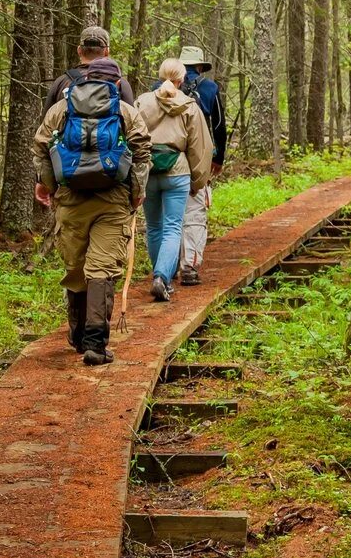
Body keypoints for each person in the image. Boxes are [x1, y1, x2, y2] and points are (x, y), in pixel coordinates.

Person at [32, 73, 151, 365]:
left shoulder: (61, 108)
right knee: (102, 268)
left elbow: (41, 147)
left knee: (76, 265)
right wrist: (137, 191)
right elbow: (142, 149)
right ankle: (96, 345)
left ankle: (78, 334)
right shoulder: (124, 110)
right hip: (112, 199)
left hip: (71, 199)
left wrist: (49, 185)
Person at [135, 59, 213, 302]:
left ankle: (159, 275)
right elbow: (200, 147)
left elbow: (133, 137)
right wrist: (198, 181)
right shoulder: (189, 105)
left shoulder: (142, 102)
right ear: (181, 80)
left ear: (160, 75)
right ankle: (162, 278)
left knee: (154, 227)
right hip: (177, 172)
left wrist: (134, 177)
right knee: (172, 227)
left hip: (148, 171)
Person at [174, 46, 227, 286]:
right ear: (199, 66)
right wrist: (218, 158)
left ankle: (166, 266)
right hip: (199, 158)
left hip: (166, 158)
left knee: (169, 214)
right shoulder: (209, 88)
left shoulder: (158, 89)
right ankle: (189, 267)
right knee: (194, 212)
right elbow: (219, 127)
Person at [43, 25, 135, 113]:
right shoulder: (119, 83)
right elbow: (132, 124)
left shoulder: (61, 82)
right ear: (107, 52)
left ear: (79, 51)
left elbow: (46, 124)